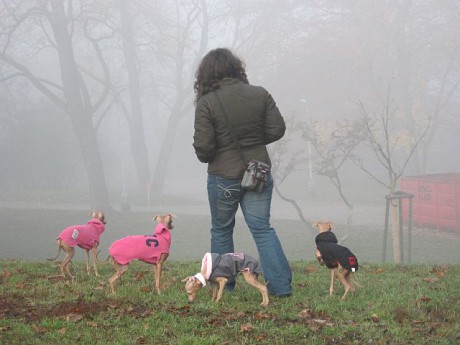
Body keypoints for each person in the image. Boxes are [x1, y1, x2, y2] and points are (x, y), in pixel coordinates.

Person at [192, 48, 292, 297]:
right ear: (236, 68)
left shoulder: (207, 102)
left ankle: (225, 288)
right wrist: (254, 141)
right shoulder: (260, 94)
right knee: (262, 228)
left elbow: (204, 150)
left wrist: (220, 147)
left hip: (223, 177)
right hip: (257, 171)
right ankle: (281, 288)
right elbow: (277, 129)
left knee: (222, 229)